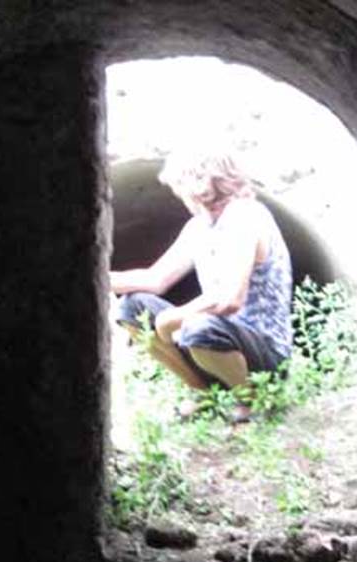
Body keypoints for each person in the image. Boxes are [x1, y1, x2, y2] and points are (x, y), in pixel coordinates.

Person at [110, 149, 293, 422]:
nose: (178, 195)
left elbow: (230, 299)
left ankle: (255, 401)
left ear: (197, 185)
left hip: (263, 349)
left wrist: (172, 318)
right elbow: (155, 280)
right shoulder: (200, 227)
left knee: (198, 326)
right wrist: (97, 279)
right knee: (132, 307)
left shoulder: (245, 217)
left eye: (178, 187)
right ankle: (207, 395)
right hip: (220, 336)